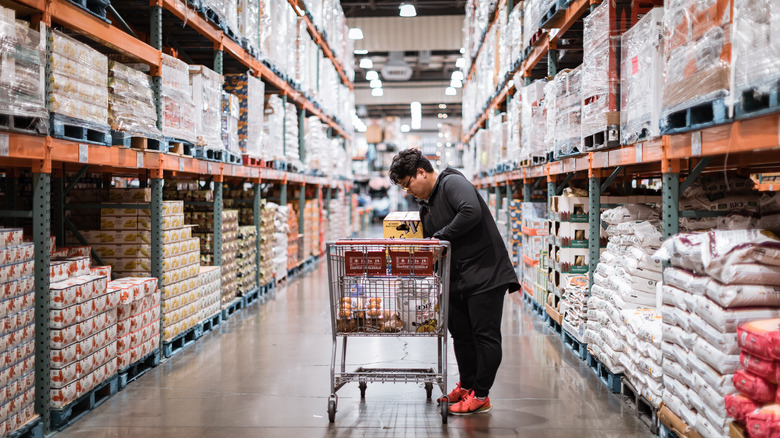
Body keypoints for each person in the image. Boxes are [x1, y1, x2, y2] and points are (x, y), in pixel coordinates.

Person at [389, 149, 520, 415]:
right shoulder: (426, 203)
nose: (407, 191)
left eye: (408, 184)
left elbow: (470, 211)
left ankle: (481, 394)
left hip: (485, 274)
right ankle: (467, 385)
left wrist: (440, 238)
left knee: (485, 336)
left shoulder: (451, 183)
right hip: (458, 278)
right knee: (461, 334)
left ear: (421, 172)